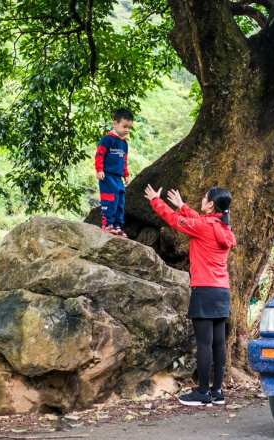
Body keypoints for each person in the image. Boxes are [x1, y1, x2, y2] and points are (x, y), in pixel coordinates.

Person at [144, 184, 237, 407]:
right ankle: (216, 391)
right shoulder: (224, 227)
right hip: (222, 291)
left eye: (204, 198)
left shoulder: (205, 226)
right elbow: (200, 223)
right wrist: (183, 206)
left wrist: (156, 201)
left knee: (204, 344)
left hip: (204, 289)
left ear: (211, 204)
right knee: (217, 344)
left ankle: (203, 393)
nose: (202, 200)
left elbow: (177, 222)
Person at [95, 108, 133, 236]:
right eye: (124, 126)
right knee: (109, 199)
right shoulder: (107, 139)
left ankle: (117, 225)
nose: (127, 130)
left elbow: (124, 160)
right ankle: (107, 224)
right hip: (107, 175)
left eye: (129, 127)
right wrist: (99, 170)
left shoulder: (124, 143)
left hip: (118, 178)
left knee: (120, 200)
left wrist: (126, 174)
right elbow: (99, 155)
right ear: (115, 124)